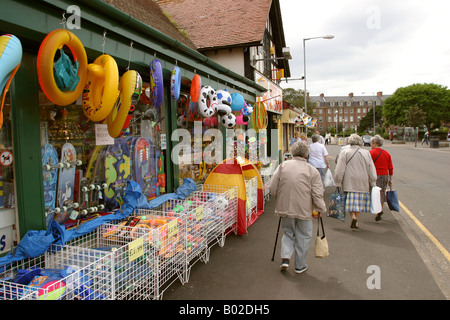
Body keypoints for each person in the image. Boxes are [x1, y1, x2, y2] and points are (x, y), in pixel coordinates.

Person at [269, 141, 326, 273]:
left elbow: (272, 187)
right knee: (304, 236)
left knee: (288, 232)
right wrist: (321, 208)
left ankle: (285, 258)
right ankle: (300, 265)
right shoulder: (312, 170)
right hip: (304, 209)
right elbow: (317, 193)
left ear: (293, 152)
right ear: (306, 155)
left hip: (285, 206)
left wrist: (278, 197)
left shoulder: (283, 166)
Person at [334, 134, 377, 229]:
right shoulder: (366, 153)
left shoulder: (345, 152)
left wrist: (337, 181)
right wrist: (373, 182)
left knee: (349, 200)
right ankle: (356, 218)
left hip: (349, 180)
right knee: (359, 201)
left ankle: (353, 216)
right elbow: (371, 168)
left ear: (350, 142)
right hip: (363, 180)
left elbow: (339, 169)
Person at [369, 135, 394, 221]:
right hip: (384, 175)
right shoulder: (387, 153)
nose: (371, 145)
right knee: (382, 193)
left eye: (371, 143)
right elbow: (390, 167)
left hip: (374, 175)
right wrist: (390, 179)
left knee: (373, 192)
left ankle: (375, 208)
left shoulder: (371, 153)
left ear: (375, 143)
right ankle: (380, 209)